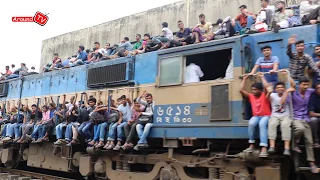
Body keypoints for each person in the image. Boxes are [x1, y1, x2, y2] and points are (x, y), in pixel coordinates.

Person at [240, 73, 272, 158]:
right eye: (252, 90)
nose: (253, 91)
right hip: (256, 116)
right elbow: (241, 90)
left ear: (260, 90)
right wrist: (244, 79)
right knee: (251, 123)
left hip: (266, 115)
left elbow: (267, 87)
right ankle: (251, 144)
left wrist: (262, 77)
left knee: (262, 124)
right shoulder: (251, 96)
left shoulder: (264, 95)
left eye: (255, 90)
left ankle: (264, 148)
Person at [291, 77, 318, 173]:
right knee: (300, 129)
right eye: (304, 85)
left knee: (309, 141)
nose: (306, 87)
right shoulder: (293, 92)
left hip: (306, 118)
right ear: (300, 85)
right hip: (296, 118)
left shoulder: (310, 91)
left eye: (307, 85)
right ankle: (294, 142)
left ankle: (312, 163)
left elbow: (317, 89)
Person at [268, 81, 293, 155]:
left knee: (285, 125)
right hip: (275, 115)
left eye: (282, 87)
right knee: (272, 124)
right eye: (278, 87)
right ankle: (272, 146)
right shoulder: (273, 95)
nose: (280, 89)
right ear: (275, 89)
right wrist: (269, 92)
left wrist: (286, 92)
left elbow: (282, 102)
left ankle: (287, 148)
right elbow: (267, 98)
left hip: (286, 115)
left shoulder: (288, 95)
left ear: (284, 88)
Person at [309, 83, 320, 148]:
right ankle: (316, 141)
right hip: (315, 116)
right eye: (318, 88)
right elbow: (311, 113)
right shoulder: (313, 97)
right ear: (315, 90)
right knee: (313, 120)